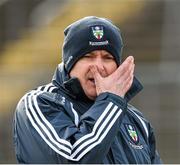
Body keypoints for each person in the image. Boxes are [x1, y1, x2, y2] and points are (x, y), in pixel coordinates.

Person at [13, 16, 162, 164]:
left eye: (107, 57)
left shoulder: (136, 120)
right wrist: (111, 100)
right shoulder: (38, 103)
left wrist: (111, 102)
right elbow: (73, 159)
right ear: (69, 63)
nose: (99, 66)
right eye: (87, 56)